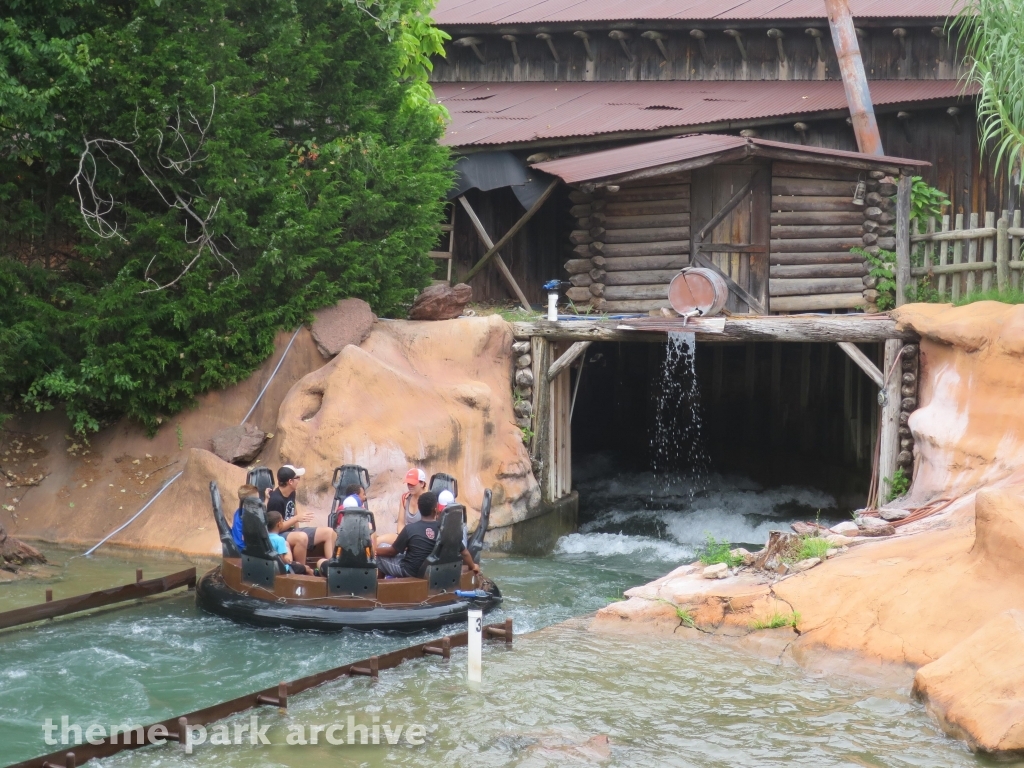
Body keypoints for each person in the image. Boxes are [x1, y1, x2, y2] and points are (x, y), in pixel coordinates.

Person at [375, 491, 480, 579]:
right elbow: (465, 552)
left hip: (412, 572)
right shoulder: (446, 530)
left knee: (381, 551)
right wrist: (473, 566)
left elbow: (391, 552)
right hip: (434, 570)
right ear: (435, 509)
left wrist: (374, 551)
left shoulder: (409, 529)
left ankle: (379, 588)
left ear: (419, 509)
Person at [267, 465, 336, 563]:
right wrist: (296, 519)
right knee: (301, 537)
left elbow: (293, 509)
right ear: (290, 481)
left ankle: (331, 566)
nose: (299, 481)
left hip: (290, 530)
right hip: (279, 534)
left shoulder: (292, 492)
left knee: (329, 532)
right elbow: (275, 529)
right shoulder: (275, 500)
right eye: (297, 478)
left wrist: (297, 528)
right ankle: (301, 570)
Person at [376, 467, 427, 547]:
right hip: (405, 536)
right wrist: (403, 539)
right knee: (378, 541)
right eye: (408, 483)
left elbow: (429, 526)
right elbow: (401, 523)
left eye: (413, 483)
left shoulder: (428, 500)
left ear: (422, 484)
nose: (410, 486)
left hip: (421, 539)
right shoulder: (405, 498)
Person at [230, 484, 260, 552]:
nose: (259, 501)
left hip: (238, 545)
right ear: (250, 502)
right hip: (244, 549)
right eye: (257, 500)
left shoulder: (238, 511)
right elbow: (248, 538)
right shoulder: (249, 517)